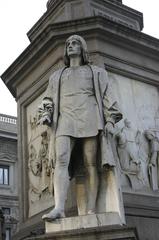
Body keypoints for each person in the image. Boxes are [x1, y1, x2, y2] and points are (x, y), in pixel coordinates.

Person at [38, 35, 122, 220]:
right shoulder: (57, 76)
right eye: (68, 44)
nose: (70, 46)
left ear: (83, 48)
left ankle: (91, 208)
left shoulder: (96, 72)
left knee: (90, 163)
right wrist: (46, 113)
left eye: (75, 43)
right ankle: (59, 208)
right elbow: (48, 99)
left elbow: (108, 96)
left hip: (90, 118)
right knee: (60, 159)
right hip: (65, 120)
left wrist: (110, 119)